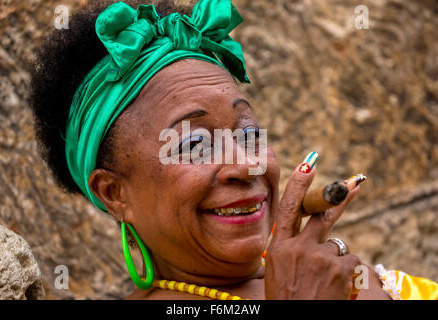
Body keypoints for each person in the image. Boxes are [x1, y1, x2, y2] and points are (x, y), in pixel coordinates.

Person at [29, 0, 438, 300]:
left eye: (247, 134)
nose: (246, 165)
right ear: (114, 194)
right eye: (193, 144)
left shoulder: (331, 278)